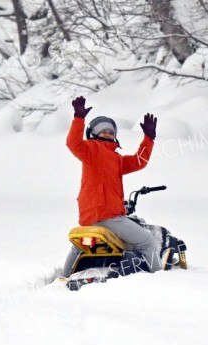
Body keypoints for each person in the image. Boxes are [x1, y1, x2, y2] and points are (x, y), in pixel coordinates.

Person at [66, 96, 162, 273]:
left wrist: (149, 138)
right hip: (108, 216)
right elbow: (73, 143)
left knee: (79, 247)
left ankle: (62, 278)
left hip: (89, 216)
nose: (108, 134)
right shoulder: (91, 149)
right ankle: (160, 278)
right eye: (103, 132)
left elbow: (138, 161)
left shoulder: (116, 159)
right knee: (148, 242)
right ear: (93, 134)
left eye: (111, 132)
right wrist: (78, 118)